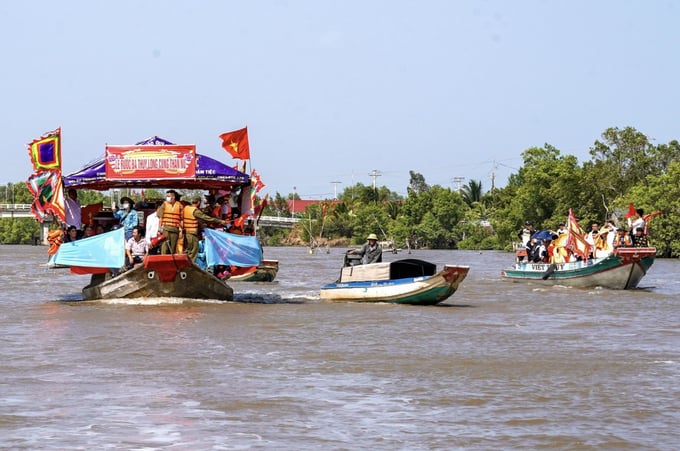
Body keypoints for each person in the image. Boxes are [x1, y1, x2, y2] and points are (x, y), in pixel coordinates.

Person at [183, 197, 228, 262]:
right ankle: (190, 268)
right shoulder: (195, 211)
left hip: (186, 234)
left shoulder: (186, 208)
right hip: (192, 235)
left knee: (188, 251)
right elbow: (207, 218)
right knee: (193, 252)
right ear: (198, 203)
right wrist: (220, 221)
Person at [156, 190, 183, 254]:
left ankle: (171, 262)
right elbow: (160, 217)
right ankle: (163, 261)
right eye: (167, 196)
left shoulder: (179, 205)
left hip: (175, 229)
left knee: (172, 249)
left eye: (169, 196)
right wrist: (159, 230)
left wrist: (181, 230)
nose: (167, 197)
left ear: (173, 197)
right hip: (166, 229)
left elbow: (181, 219)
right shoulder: (164, 204)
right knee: (164, 247)